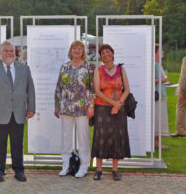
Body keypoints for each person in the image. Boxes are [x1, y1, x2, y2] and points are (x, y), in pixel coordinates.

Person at [0, 40, 35, 183]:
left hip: (18, 112)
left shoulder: (24, 68)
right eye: (6, 51)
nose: (9, 53)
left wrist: (31, 107)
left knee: (17, 144)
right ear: (0, 53)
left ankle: (19, 170)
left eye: (12, 51)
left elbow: (30, 89)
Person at [88, 44, 131, 181]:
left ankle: (115, 169)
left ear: (112, 53)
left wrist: (118, 106)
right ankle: (99, 169)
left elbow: (127, 90)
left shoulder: (121, 69)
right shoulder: (98, 70)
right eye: (103, 53)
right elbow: (97, 91)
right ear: (101, 56)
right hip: (102, 109)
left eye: (108, 52)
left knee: (117, 138)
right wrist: (113, 104)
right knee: (101, 138)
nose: (106, 55)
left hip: (119, 109)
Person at [54, 40, 95, 178]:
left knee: (83, 138)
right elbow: (59, 87)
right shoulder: (64, 67)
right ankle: (66, 165)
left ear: (83, 51)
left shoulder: (90, 66)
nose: (77, 51)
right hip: (66, 108)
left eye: (79, 48)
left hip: (83, 108)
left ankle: (84, 166)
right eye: (74, 48)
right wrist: (56, 105)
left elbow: (93, 88)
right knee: (66, 138)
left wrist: (91, 106)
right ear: (71, 51)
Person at [171, 42, 186, 138]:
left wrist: (181, 91)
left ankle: (180, 131)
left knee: (180, 108)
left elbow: (184, 76)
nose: (185, 50)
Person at [154, 44, 170, 149]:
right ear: (155, 53)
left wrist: (165, 81)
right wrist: (163, 80)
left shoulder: (158, 64)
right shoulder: (154, 65)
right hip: (157, 96)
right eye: (161, 51)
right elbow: (151, 80)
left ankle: (157, 142)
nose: (163, 53)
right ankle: (156, 142)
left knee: (160, 119)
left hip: (162, 95)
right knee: (157, 119)